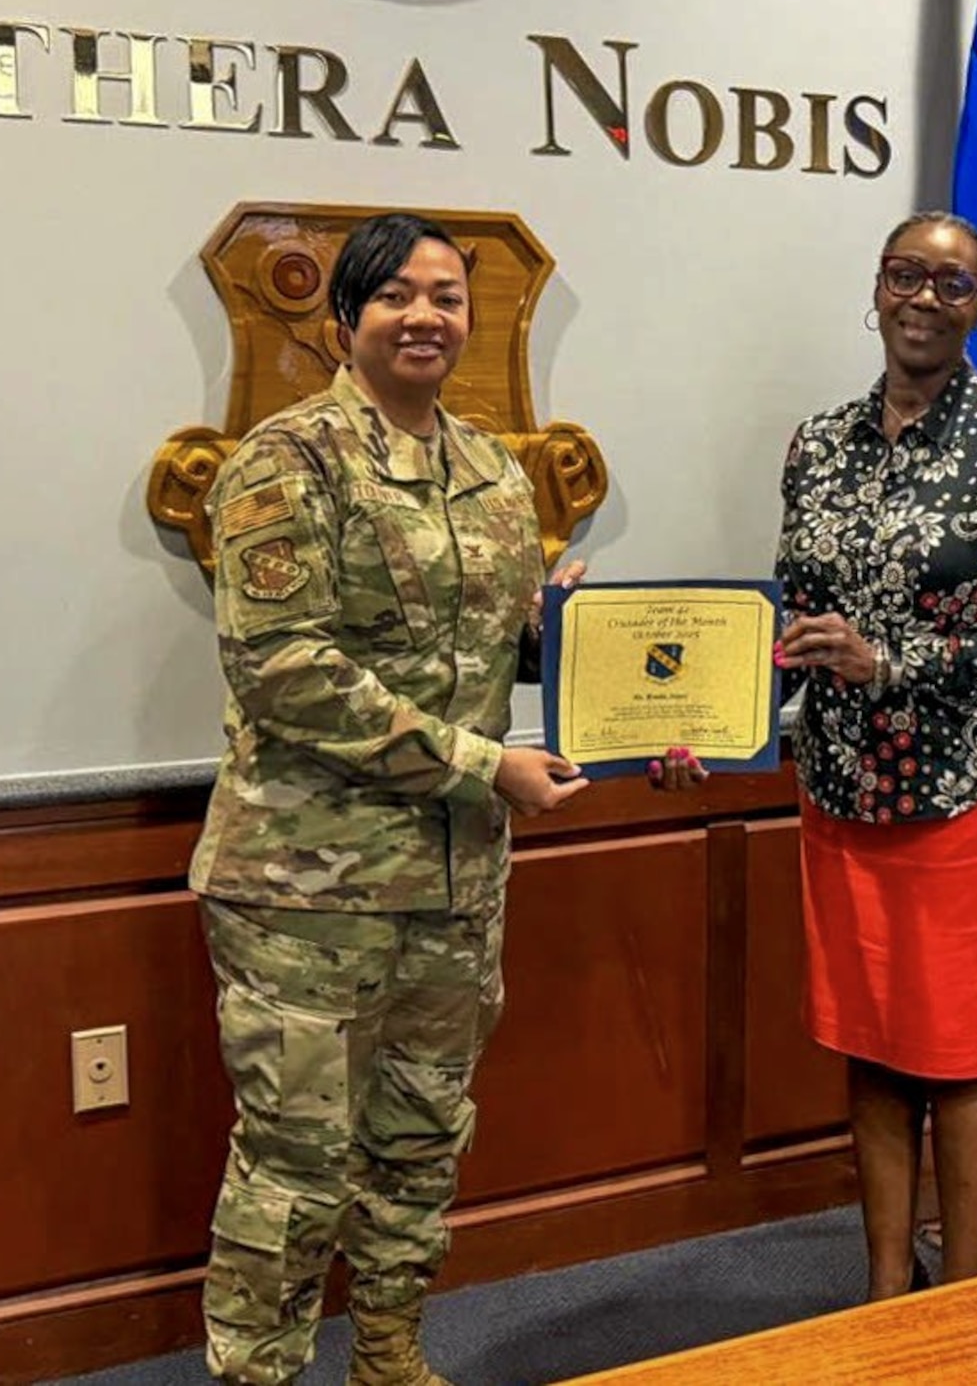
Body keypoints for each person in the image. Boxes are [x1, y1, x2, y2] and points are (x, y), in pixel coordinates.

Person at [188, 211, 586, 1386]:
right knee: (296, 1166)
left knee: (419, 1147)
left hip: (455, 882)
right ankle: (257, 1375)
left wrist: (589, 659)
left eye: (448, 297)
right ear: (344, 318)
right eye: (398, 296)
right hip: (308, 889)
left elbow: (486, 656)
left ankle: (390, 1359)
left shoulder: (493, 473)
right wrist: (481, 765)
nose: (427, 316)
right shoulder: (286, 459)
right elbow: (283, 667)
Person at [742, 211, 977, 1295]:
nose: (924, 299)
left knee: (963, 1048)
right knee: (873, 1041)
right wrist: (708, 709)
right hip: (841, 792)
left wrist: (890, 659)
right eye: (905, 276)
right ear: (876, 288)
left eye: (952, 284)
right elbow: (793, 612)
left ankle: (969, 1292)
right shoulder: (818, 442)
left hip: (960, 794)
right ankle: (887, 1290)